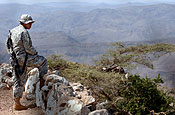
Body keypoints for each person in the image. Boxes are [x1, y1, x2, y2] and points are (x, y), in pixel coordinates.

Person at [6, 14, 48, 110]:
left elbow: (8, 44)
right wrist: (35, 54)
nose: (31, 25)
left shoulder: (13, 30)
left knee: (18, 79)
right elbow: (28, 48)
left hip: (14, 59)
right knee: (43, 61)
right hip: (23, 59)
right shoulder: (24, 32)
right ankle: (42, 84)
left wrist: (13, 54)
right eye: (30, 23)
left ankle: (17, 103)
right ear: (25, 23)